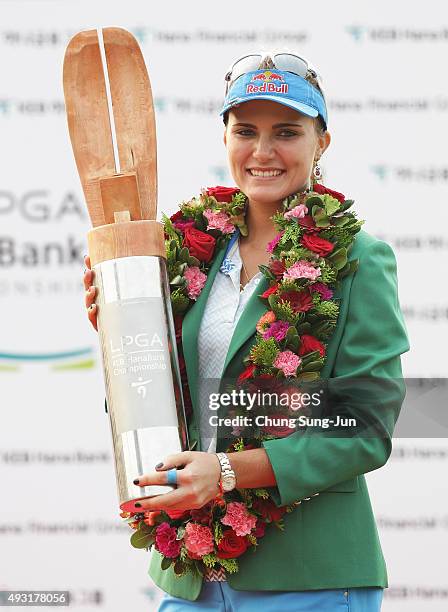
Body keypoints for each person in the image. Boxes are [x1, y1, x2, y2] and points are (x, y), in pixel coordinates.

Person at [83, 52, 410, 611]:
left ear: (321, 142)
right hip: (190, 576)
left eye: (286, 131)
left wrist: (229, 472)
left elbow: (367, 423)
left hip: (309, 576)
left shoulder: (360, 259)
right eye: (246, 131)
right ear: (226, 137)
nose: (262, 152)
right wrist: (120, 333)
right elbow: (161, 401)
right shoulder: (184, 252)